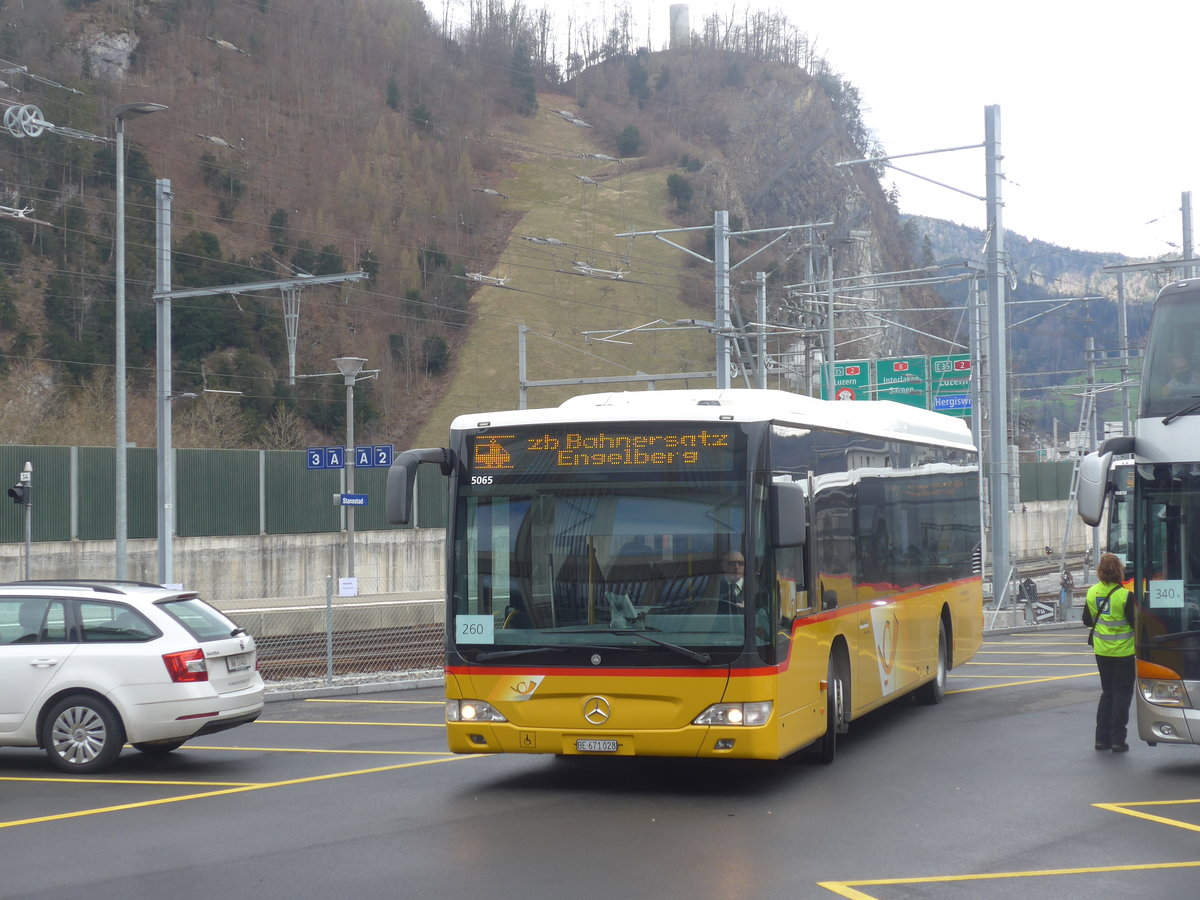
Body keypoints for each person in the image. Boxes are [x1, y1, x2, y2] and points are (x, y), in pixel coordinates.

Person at [1083, 553, 1136, 752]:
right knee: (1122, 695)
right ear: (1119, 570)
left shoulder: (1091, 592)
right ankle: (1117, 740)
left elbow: (1088, 621)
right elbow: (1135, 623)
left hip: (1102, 651)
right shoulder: (1125, 595)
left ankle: (1101, 738)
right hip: (1123, 652)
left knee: (1108, 693)